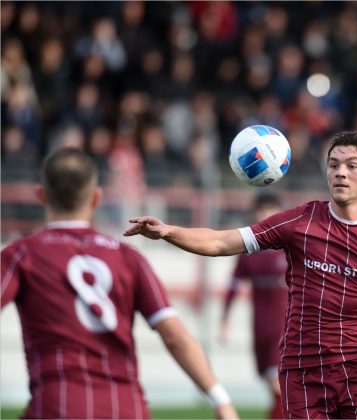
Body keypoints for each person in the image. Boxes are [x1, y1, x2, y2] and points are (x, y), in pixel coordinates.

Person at [125, 131, 357, 418]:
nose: (340, 172)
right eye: (333, 165)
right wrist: (168, 231)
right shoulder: (300, 222)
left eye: (351, 165)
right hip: (303, 370)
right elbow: (222, 241)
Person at [0, 148, 239, 420]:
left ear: (41, 195)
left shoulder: (22, 255)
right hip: (126, 407)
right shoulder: (128, 257)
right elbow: (174, 335)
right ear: (96, 198)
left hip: (59, 405)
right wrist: (221, 400)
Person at [219, 192, 288, 419]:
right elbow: (233, 285)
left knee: (279, 384)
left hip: (285, 326)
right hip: (260, 326)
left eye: (270, 210)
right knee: (271, 384)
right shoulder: (248, 251)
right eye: (261, 210)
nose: (265, 215)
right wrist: (224, 319)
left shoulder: (289, 247)